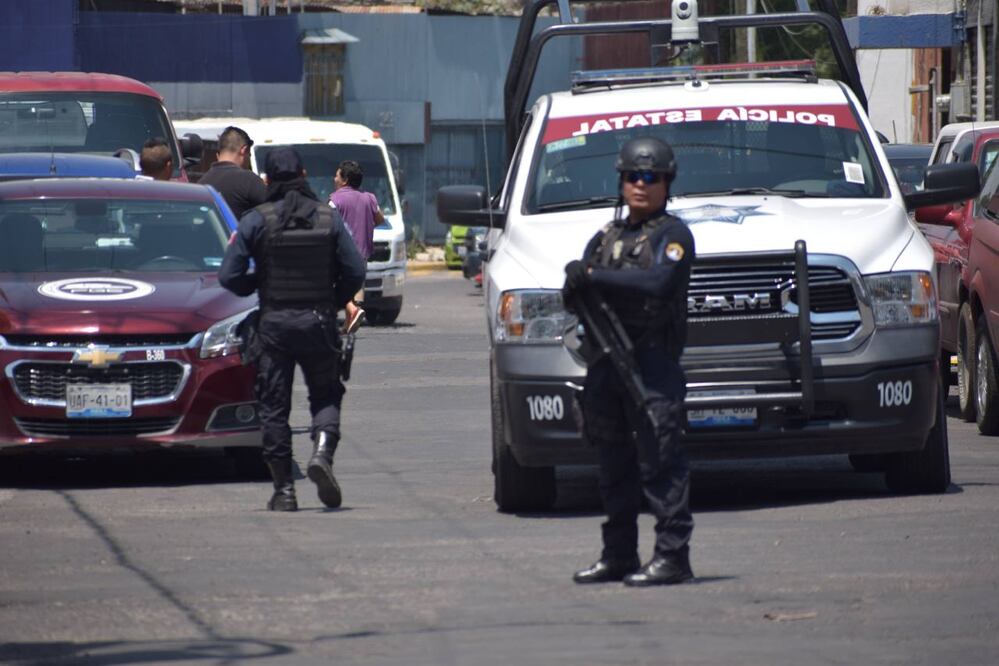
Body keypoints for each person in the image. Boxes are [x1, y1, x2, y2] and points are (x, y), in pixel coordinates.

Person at [563, 136, 696, 587]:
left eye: (651, 177)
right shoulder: (606, 237)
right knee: (612, 464)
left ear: (666, 182)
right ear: (621, 182)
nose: (641, 185)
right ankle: (618, 554)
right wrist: (577, 279)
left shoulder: (673, 235)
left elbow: (659, 283)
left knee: (661, 461)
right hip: (605, 363)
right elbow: (577, 294)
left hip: (651, 363)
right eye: (633, 176)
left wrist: (599, 277)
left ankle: (673, 557)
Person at [218, 147, 366, 512]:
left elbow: (229, 275)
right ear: (303, 173)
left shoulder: (256, 221)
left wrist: (259, 284)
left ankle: (284, 490)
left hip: (274, 326)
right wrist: (334, 298)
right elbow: (356, 270)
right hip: (318, 322)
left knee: (273, 407)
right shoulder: (328, 218)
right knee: (326, 395)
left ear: (267, 180)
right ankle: (322, 453)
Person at [329, 160, 384, 331]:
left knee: (336, 284)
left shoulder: (335, 199)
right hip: (363, 251)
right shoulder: (370, 198)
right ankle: (349, 322)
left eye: (337, 175)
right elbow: (380, 218)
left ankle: (353, 310)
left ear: (344, 180)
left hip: (341, 252)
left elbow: (326, 222)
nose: (334, 178)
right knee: (356, 284)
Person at [198, 126, 267, 219]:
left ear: (218, 154)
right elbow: (274, 209)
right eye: (249, 155)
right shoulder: (249, 180)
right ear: (244, 150)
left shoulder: (202, 184)